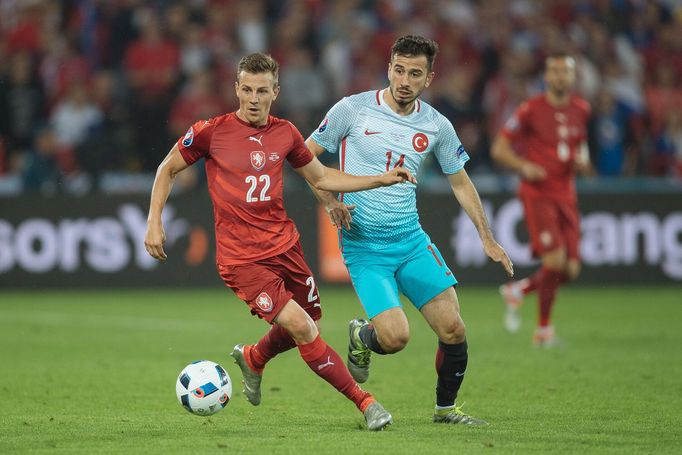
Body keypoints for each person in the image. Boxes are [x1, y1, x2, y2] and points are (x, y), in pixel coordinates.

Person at [144, 53, 417, 431]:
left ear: (276, 91)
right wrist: (153, 220)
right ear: (236, 89)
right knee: (305, 328)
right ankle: (366, 404)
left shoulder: (285, 133)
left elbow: (321, 177)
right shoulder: (211, 131)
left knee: (310, 320)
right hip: (242, 260)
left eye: (262, 91)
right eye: (247, 89)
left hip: (285, 247)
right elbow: (167, 168)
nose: (253, 98)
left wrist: (380, 179)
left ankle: (254, 357)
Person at [305, 35, 514, 425]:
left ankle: (446, 410)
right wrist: (329, 202)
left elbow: (461, 182)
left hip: (412, 241)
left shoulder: (437, 125)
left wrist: (487, 236)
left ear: (428, 78)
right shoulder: (353, 109)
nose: (404, 79)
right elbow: (305, 158)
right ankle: (362, 337)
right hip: (365, 248)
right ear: (388, 68)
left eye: (414, 73)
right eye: (399, 70)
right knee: (396, 338)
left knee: (453, 328)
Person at [491, 53, 591, 346]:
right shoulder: (530, 109)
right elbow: (499, 148)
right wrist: (523, 166)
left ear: (573, 77)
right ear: (546, 77)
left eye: (566, 72)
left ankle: (519, 290)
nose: (560, 76)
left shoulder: (581, 109)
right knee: (555, 261)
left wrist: (583, 160)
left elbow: (579, 144)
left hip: (566, 193)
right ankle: (543, 330)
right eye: (555, 71)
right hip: (538, 193)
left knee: (570, 269)